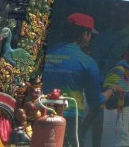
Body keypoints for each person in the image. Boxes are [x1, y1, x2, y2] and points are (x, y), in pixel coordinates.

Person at [42, 12, 103, 147]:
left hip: (40, 114)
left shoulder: (46, 55)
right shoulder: (88, 62)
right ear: (85, 34)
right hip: (69, 121)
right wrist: (110, 91)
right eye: (90, 34)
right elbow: (95, 100)